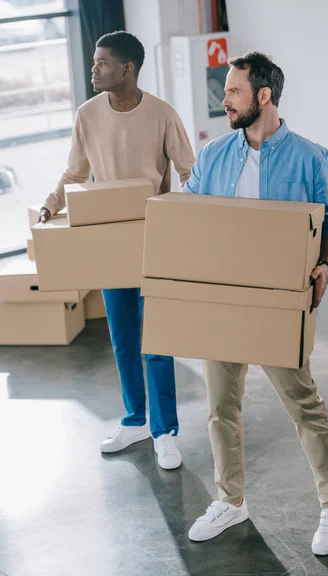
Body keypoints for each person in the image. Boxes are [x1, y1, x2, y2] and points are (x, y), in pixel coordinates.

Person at [183, 51, 328, 555]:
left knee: (303, 405)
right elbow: (185, 212)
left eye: (233, 92)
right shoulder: (213, 155)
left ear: (263, 96)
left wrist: (326, 266)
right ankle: (231, 501)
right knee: (220, 406)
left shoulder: (309, 155)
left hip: (278, 302)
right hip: (223, 301)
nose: (224, 100)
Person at [40, 31, 195, 469]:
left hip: (154, 240)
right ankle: (135, 420)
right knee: (124, 338)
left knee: (157, 340)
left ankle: (165, 432)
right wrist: (50, 206)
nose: (94, 69)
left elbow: (189, 171)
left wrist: (189, 221)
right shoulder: (87, 115)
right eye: (94, 62)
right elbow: (74, 172)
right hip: (109, 243)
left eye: (102, 62)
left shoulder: (163, 114)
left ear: (127, 69)